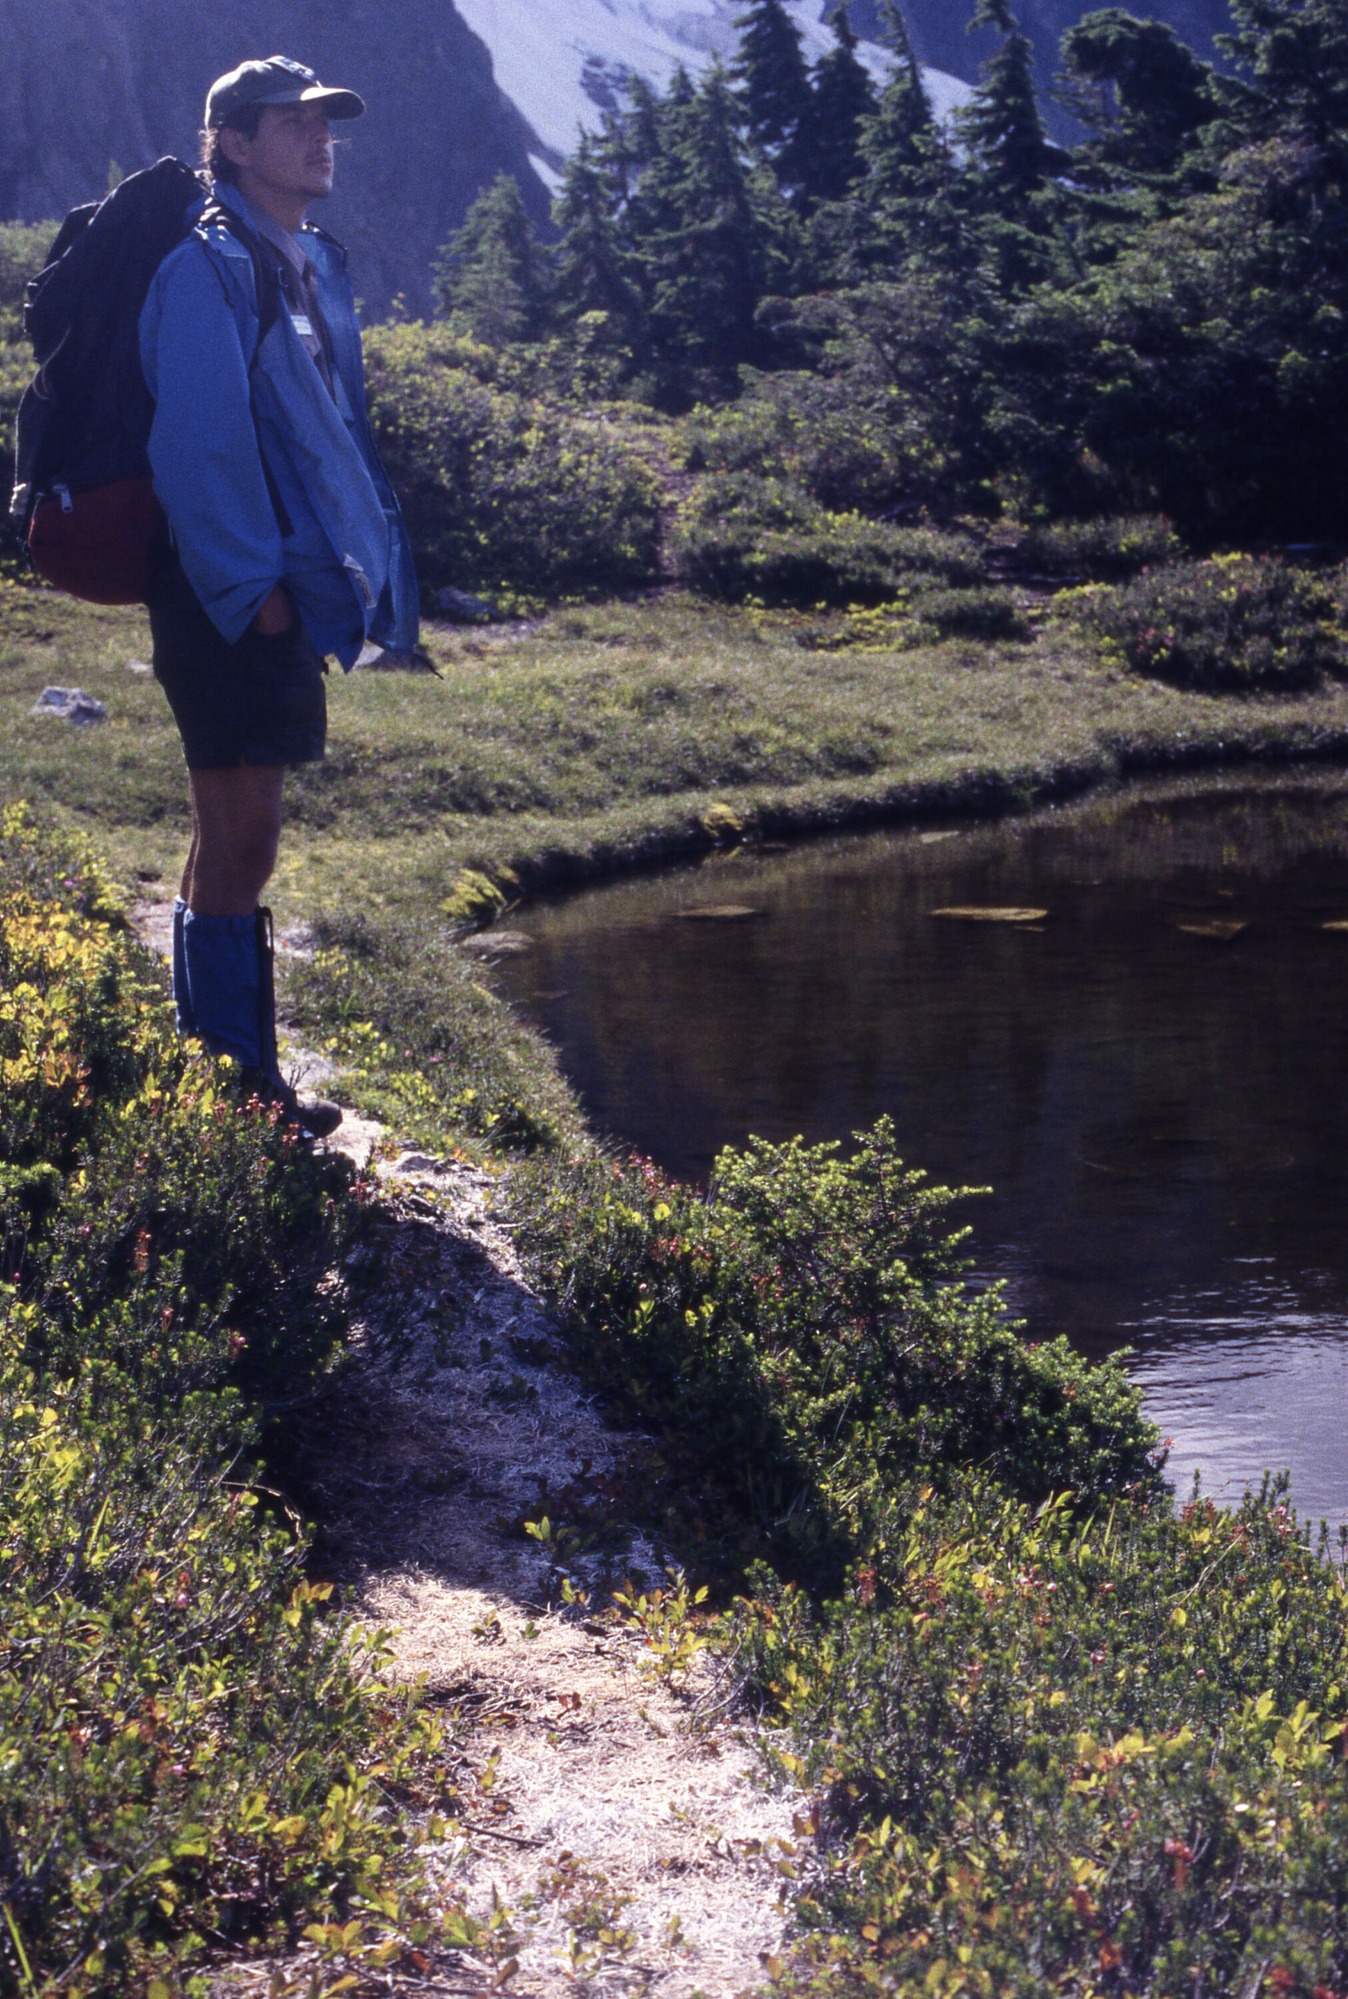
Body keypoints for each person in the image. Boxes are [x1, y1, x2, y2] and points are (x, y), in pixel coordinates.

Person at [139, 55, 419, 1136]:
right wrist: (253, 593)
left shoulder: (300, 260)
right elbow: (200, 447)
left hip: (274, 589)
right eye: (291, 124)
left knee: (231, 828)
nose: (318, 138)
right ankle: (235, 1090)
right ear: (234, 144)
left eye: (324, 122)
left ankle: (216, 1074)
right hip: (230, 589)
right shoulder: (206, 268)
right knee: (246, 834)